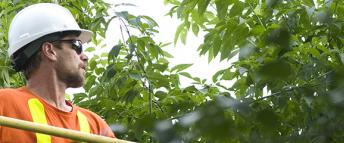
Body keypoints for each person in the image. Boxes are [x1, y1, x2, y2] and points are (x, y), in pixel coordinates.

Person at [0, 3, 115, 142]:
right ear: (49, 50)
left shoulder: (96, 126)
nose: (84, 56)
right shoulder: (4, 105)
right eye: (77, 46)